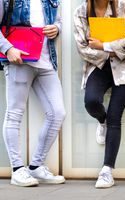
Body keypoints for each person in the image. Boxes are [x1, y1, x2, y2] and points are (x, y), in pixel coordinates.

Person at [73, 0, 125, 188]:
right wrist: (112, 50)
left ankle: (107, 171)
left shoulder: (123, 6)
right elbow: (82, 48)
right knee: (91, 102)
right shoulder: (81, 12)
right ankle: (101, 120)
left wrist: (104, 45)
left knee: (115, 116)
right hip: (97, 67)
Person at [0, 0, 65, 187]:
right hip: (19, 61)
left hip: (46, 61)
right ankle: (17, 170)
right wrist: (8, 49)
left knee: (57, 113)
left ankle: (36, 165)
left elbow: (57, 19)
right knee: (14, 114)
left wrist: (57, 28)